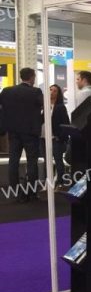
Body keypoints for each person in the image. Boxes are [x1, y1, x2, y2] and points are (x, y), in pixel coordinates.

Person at [0, 68, 43, 203]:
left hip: (13, 132)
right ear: (32, 77)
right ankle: (32, 193)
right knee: (32, 162)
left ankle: (16, 193)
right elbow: (43, 109)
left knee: (13, 161)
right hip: (30, 132)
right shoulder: (36, 92)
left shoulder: (6, 91)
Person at [48, 84, 70, 188]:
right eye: (50, 89)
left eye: (54, 91)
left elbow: (66, 123)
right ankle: (49, 182)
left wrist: (60, 137)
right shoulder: (43, 106)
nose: (51, 92)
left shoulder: (60, 107)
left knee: (58, 160)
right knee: (47, 161)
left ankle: (60, 182)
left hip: (56, 138)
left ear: (58, 94)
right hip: (44, 138)